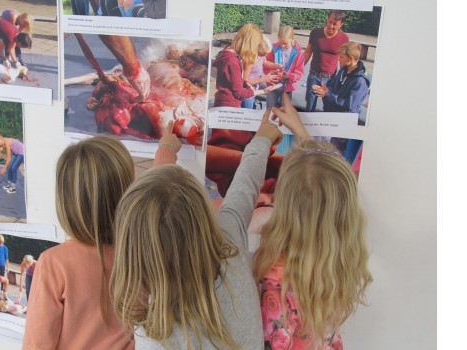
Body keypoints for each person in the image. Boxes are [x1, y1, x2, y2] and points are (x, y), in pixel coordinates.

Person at [110, 101, 309, 348]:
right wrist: (262, 139)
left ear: (134, 252)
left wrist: (164, 155)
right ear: (203, 211)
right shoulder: (230, 242)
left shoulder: (153, 331)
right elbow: (244, 187)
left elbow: (157, 222)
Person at [23, 124, 179, 349]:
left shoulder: (54, 264)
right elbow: (159, 197)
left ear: (66, 201)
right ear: (128, 195)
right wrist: (166, 149)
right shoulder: (141, 251)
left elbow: (36, 345)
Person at [253, 94, 372, 349]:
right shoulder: (340, 256)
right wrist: (301, 133)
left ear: (283, 206)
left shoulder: (277, 288)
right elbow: (323, 189)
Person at [213, 23, 274, 108]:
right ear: (250, 44)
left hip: (224, 101)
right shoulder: (232, 61)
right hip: (229, 105)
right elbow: (239, 93)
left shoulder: (228, 50)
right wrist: (263, 91)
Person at [303, 10, 349, 112]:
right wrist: (297, 69)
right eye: (329, 22)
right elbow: (307, 53)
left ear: (341, 24)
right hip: (314, 76)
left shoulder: (344, 38)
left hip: (331, 79)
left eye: (335, 24)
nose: (331, 26)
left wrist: (343, 79)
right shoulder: (315, 33)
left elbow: (342, 61)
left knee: (328, 108)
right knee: (309, 107)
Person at [312, 41, 370, 114]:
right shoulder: (343, 70)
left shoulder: (360, 81)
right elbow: (332, 85)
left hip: (345, 118)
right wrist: (324, 89)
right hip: (331, 112)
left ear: (351, 58)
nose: (339, 59)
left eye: (342, 57)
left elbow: (349, 105)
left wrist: (327, 95)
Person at [264, 25, 305, 115]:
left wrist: (289, 76)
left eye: (285, 43)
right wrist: (271, 73)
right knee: (270, 109)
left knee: (284, 111)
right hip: (273, 84)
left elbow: (299, 72)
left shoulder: (299, 53)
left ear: (292, 39)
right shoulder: (272, 49)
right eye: (280, 42)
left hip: (287, 86)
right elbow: (266, 66)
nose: (282, 45)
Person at [0, 18, 32, 84]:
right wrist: (5, 59)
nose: (21, 48)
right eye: (22, 46)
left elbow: (11, 48)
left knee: (0, 53)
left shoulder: (17, 35)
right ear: (19, 43)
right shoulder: (10, 37)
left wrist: (16, 62)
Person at [241, 35, 284, 109]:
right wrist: (264, 79)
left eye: (266, 53)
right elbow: (245, 80)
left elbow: (265, 62)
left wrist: (278, 66)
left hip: (255, 88)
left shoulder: (260, 56)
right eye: (263, 54)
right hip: (247, 92)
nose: (265, 55)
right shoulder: (249, 61)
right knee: (248, 110)